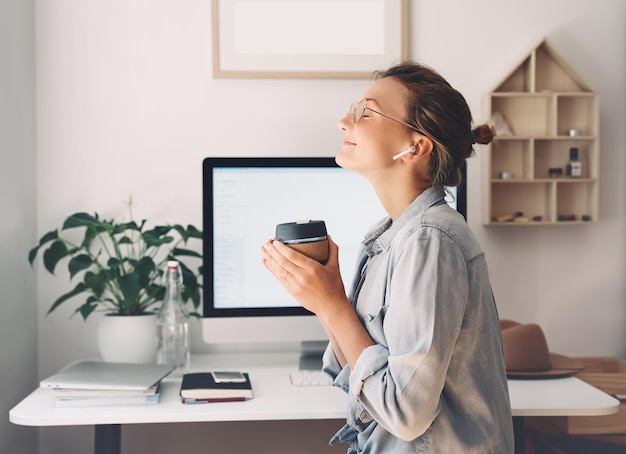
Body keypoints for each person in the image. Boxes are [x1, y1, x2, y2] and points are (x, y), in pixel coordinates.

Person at [261, 61, 514, 453]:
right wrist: (325, 299)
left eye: (366, 111)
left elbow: (405, 413)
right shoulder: (388, 238)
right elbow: (362, 375)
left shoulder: (431, 240)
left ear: (416, 146)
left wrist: (331, 308)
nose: (345, 121)